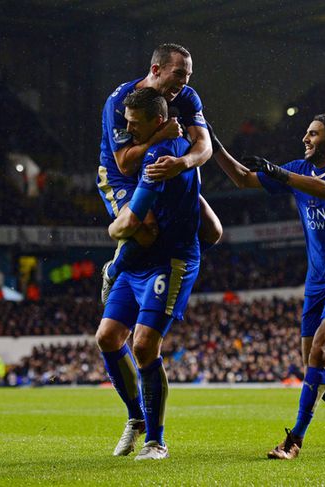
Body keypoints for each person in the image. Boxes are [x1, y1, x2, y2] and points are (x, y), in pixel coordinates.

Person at [210, 114, 325, 458]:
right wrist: (211, 143)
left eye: (313, 134)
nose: (305, 138)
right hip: (317, 281)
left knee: (319, 355)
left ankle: (294, 440)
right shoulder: (300, 167)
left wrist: (280, 173)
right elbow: (242, 178)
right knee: (314, 368)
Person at [95, 88, 202, 460]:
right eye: (124, 122)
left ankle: (156, 441)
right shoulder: (166, 148)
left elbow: (132, 222)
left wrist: (111, 233)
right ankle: (136, 418)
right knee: (108, 337)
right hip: (141, 260)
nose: (127, 130)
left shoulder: (159, 154)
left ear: (158, 122)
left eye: (134, 124)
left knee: (142, 345)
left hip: (168, 261)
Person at [97, 43, 222, 304]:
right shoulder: (120, 103)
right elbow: (124, 164)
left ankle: (156, 261)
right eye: (178, 73)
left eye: (188, 75)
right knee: (147, 229)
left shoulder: (187, 97)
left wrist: (183, 163)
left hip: (166, 170)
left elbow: (205, 146)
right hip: (121, 177)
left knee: (212, 231)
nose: (184, 82)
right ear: (156, 69)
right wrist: (159, 137)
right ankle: (114, 270)